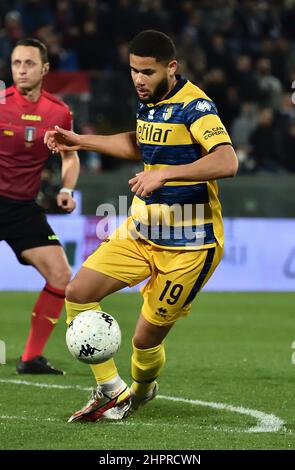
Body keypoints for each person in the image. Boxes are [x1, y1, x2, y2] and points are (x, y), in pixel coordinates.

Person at [45, 30, 238, 420]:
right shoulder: (148, 102)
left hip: (190, 245)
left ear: (171, 67)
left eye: (147, 72)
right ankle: (110, 390)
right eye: (133, 71)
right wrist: (80, 141)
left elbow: (226, 160)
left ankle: (142, 389)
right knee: (79, 292)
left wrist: (166, 174)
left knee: (143, 341)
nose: (138, 79)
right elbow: (139, 143)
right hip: (141, 231)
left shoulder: (195, 106)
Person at [0, 38, 80, 374]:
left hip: (21, 209)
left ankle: (31, 357)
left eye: (29, 63)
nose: (21, 70)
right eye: (16, 63)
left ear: (45, 69)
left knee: (62, 276)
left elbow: (70, 156)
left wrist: (66, 188)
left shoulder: (58, 112)